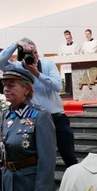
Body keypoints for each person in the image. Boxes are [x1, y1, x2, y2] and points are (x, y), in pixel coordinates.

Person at [0, 38, 78, 167]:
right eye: (30, 53)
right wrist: (15, 45)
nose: (34, 56)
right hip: (34, 120)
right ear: (21, 56)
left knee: (69, 157)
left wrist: (37, 74)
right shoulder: (17, 68)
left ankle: (75, 185)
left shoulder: (47, 64)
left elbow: (58, 86)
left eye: (35, 52)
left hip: (57, 118)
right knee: (42, 157)